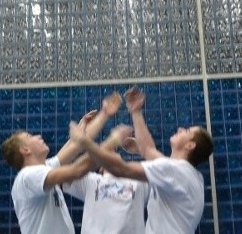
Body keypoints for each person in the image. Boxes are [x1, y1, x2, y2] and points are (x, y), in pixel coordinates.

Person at [68, 88, 214, 234]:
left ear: (190, 145)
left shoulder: (174, 172)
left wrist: (87, 141)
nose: (181, 129)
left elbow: (122, 169)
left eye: (187, 131)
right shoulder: (187, 175)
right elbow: (149, 151)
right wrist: (136, 112)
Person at [1, 92, 126, 234]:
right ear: (25, 149)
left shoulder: (44, 168)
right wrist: (111, 142)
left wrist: (104, 114)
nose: (38, 136)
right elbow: (76, 171)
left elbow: (76, 145)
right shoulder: (28, 176)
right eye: (30, 136)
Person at [62, 154, 149, 234]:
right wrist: (91, 151)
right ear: (101, 169)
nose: (111, 154)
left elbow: (159, 171)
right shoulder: (90, 180)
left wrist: (140, 150)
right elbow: (65, 169)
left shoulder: (138, 182)